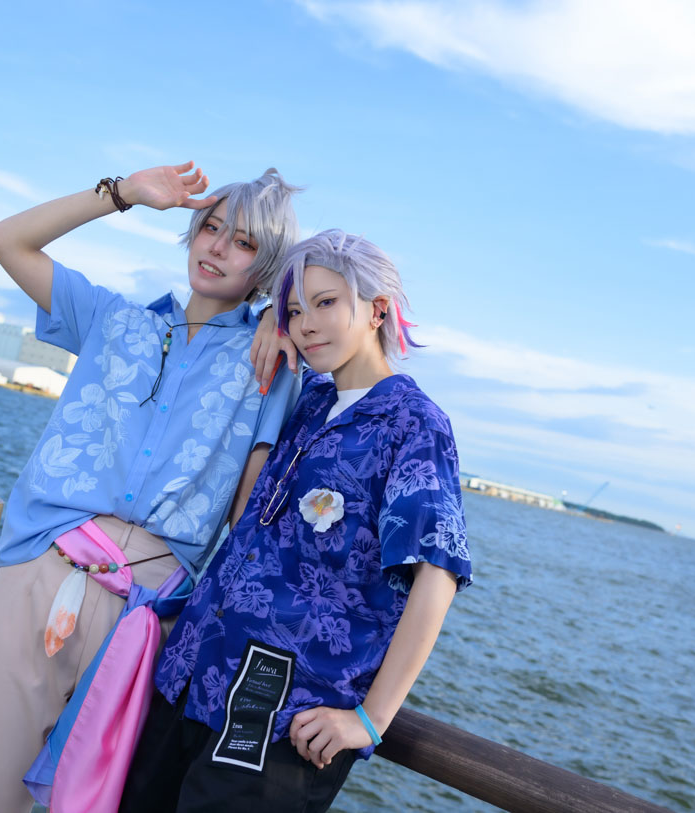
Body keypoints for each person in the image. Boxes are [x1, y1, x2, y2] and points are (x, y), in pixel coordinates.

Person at [0, 162, 302, 813]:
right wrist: (123, 195)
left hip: (147, 613)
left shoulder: (272, 363)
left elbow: (253, 507)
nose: (217, 247)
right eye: (211, 228)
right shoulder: (114, 319)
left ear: (266, 265)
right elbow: (8, 239)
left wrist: (285, 311)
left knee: (94, 802)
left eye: (244, 242)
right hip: (41, 567)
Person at [120, 230, 473, 813]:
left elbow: (435, 574)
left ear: (378, 310)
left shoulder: (413, 424)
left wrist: (371, 718)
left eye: (326, 303)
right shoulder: (309, 401)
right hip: (192, 672)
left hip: (285, 716)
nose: (307, 325)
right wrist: (269, 320)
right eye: (295, 311)